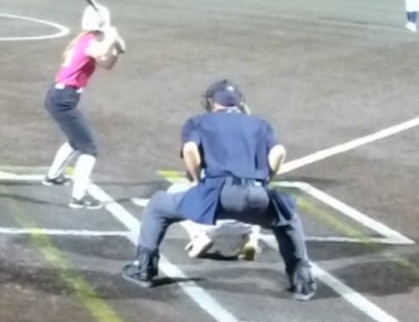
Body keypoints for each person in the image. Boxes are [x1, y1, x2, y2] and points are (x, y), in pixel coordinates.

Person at [126, 80, 316, 300]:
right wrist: (265, 181)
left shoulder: (198, 122)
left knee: (159, 205)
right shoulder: (260, 124)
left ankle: (144, 269)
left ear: (211, 102)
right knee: (287, 219)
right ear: (239, 103)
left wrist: (197, 180)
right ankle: (302, 282)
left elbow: (190, 150)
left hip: (216, 195)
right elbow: (278, 153)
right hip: (255, 196)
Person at [42, 5, 125, 209]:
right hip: (63, 98)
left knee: (75, 140)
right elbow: (100, 50)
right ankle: (78, 197)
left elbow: (107, 64)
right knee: (89, 148)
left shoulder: (87, 40)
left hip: (60, 97)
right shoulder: (89, 42)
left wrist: (116, 49)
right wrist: (112, 36)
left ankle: (53, 176)